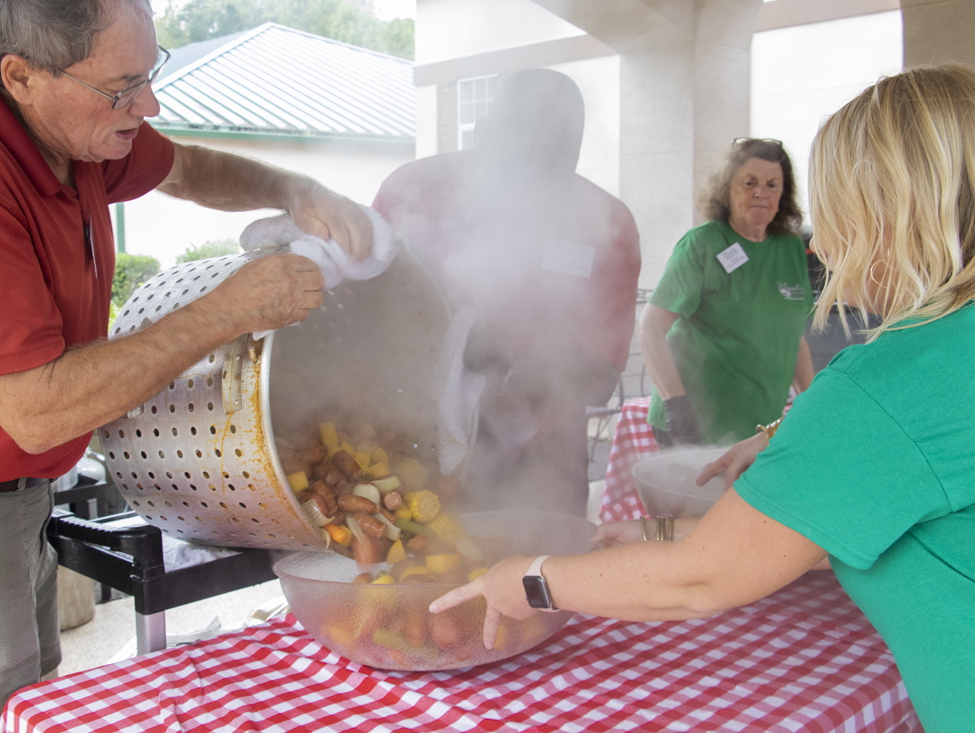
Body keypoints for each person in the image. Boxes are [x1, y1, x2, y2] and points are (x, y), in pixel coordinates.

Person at [0, 1, 372, 731]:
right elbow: (37, 408)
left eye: (150, 70)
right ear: (21, 75)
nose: (149, 103)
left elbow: (188, 168)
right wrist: (228, 310)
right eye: (121, 87)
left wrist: (296, 190)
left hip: (15, 497)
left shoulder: (67, 126)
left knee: (25, 708)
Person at [433, 65, 975, 732]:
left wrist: (527, 577)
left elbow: (698, 578)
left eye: (839, 214)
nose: (826, 246)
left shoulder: (892, 385)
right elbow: (810, 533)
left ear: (894, 214)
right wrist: (652, 530)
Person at [373, 69, 640, 517]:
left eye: (547, 167)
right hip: (412, 437)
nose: (527, 192)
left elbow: (599, 374)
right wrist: (451, 357)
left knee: (543, 576)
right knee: (412, 575)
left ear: (573, 153)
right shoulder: (412, 191)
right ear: (484, 132)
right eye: (517, 164)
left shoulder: (607, 224)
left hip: (543, 458)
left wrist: (518, 389)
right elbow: (363, 308)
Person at [641, 138, 814, 447]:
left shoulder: (790, 248)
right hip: (695, 426)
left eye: (773, 185)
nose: (761, 192)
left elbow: (794, 336)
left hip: (758, 428)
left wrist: (813, 402)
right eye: (749, 183)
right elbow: (652, 328)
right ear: (726, 189)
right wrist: (677, 409)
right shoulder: (702, 245)